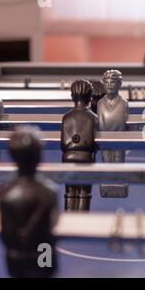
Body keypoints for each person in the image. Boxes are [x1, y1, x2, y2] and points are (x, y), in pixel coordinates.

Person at [0, 126, 58, 277]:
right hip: (44, 252)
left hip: (16, 258)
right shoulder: (49, 192)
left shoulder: (7, 194)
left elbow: (7, 237)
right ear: (39, 156)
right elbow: (52, 228)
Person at [61, 79, 98, 211]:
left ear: (72, 97)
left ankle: (68, 215)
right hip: (86, 158)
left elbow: (64, 143)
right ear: (90, 97)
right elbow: (92, 142)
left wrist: (74, 141)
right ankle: (82, 218)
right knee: (84, 192)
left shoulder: (66, 117)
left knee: (70, 191)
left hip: (68, 157)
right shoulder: (93, 118)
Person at [97, 70, 129, 197]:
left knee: (118, 163)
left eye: (113, 82)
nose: (109, 85)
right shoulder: (100, 103)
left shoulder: (124, 103)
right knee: (106, 163)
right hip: (104, 139)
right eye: (107, 82)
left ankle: (117, 186)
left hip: (119, 140)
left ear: (119, 84)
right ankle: (107, 187)